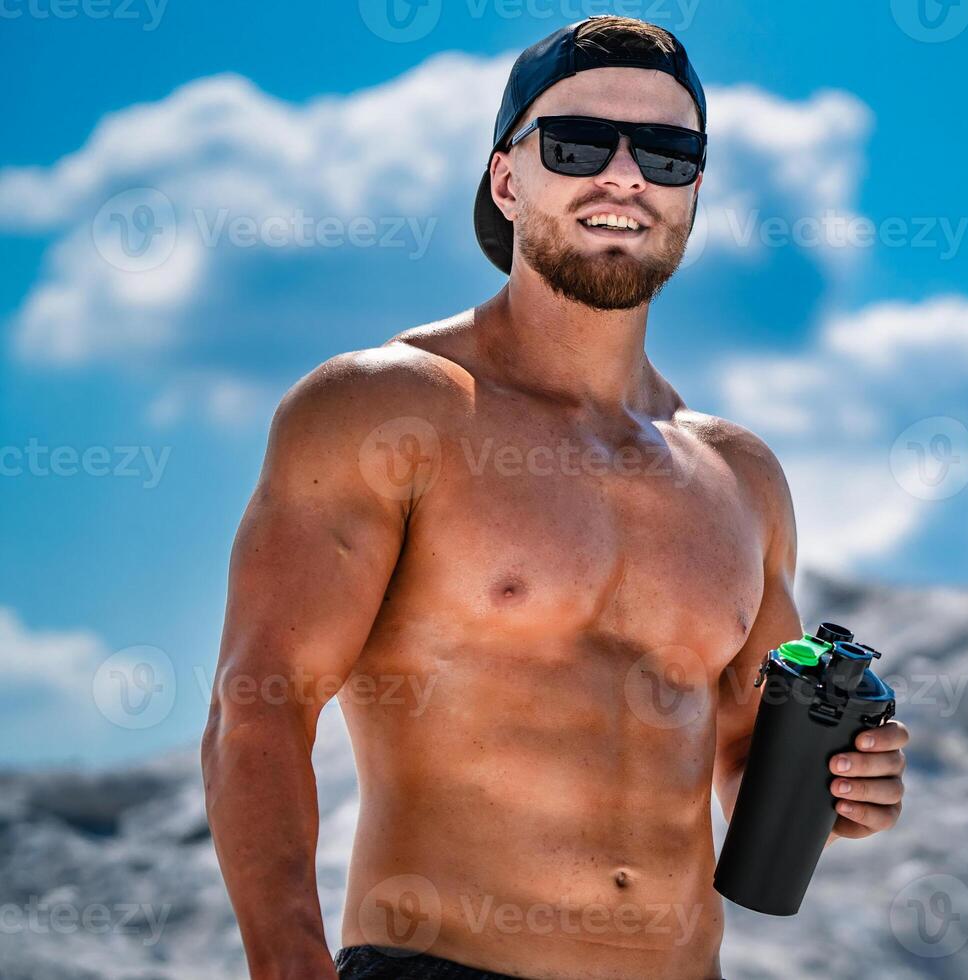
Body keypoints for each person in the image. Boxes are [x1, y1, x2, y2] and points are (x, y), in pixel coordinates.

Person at [201, 16, 908, 980]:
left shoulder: (741, 478)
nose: (623, 177)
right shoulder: (386, 407)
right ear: (505, 179)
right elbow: (262, 705)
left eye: (666, 152)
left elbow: (744, 756)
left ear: (693, 190)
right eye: (577, 143)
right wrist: (287, 964)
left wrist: (843, 787)